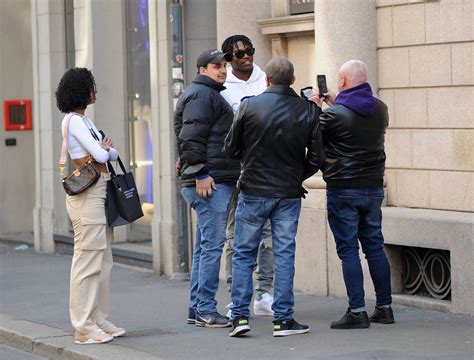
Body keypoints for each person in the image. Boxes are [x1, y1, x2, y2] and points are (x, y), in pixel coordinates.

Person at [225, 57, 324, 337]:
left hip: (254, 190)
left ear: (266, 79)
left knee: (244, 252)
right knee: (284, 253)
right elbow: (317, 157)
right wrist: (296, 175)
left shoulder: (249, 106)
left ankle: (240, 317)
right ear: (292, 80)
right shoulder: (307, 111)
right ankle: (283, 319)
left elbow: (230, 149)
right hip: (287, 192)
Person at [312, 60, 394, 329]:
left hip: (344, 188)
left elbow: (315, 137)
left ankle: (357, 311)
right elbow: (355, 117)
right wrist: (337, 102)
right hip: (372, 187)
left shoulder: (332, 116)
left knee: (348, 250)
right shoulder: (381, 109)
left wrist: (315, 110)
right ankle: (384, 308)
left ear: (344, 81)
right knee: (374, 246)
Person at [56, 68, 125, 345]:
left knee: (103, 259)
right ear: (82, 91)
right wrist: (104, 148)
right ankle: (83, 327)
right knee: (87, 259)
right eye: (92, 87)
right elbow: (101, 153)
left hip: (100, 190)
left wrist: (105, 149)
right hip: (88, 194)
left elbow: (112, 152)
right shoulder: (73, 121)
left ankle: (99, 319)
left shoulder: (85, 121)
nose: (96, 91)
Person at [174, 49, 239, 328]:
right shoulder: (202, 94)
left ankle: (196, 308)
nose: (223, 70)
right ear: (202, 69)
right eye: (216, 66)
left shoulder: (205, 93)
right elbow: (190, 137)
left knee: (204, 248)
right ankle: (206, 310)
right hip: (209, 181)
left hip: (208, 178)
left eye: (224, 65)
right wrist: (200, 172)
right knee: (212, 248)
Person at [220, 34, 274, 316]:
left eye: (249, 51)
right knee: (234, 235)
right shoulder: (222, 86)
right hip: (235, 169)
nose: (245, 57)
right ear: (228, 59)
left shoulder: (266, 79)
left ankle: (265, 293)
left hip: (265, 167)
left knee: (267, 235)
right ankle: (234, 297)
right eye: (238, 54)